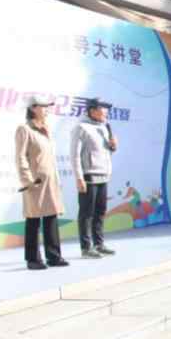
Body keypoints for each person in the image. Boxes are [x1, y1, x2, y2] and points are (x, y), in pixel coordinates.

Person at [15, 95, 69, 270]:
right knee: (33, 219)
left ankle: (54, 256)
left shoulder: (46, 129)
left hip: (50, 181)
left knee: (51, 216)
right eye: (44, 106)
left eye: (48, 106)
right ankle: (33, 259)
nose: (47, 109)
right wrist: (27, 181)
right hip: (35, 182)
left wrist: (57, 180)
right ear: (33, 108)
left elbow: (49, 159)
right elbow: (20, 157)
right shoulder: (24, 129)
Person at [70, 98, 118, 259]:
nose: (106, 112)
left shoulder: (104, 128)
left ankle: (99, 244)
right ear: (91, 110)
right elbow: (74, 155)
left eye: (106, 108)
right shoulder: (80, 127)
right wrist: (78, 178)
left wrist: (113, 146)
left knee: (100, 212)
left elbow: (105, 153)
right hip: (88, 176)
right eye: (102, 108)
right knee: (86, 213)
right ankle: (86, 247)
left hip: (104, 175)